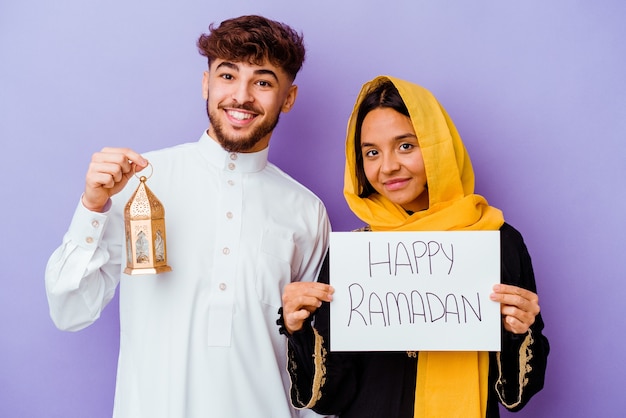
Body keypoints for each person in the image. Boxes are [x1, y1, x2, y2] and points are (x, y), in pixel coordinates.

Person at [45, 15, 330, 418]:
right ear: (206, 84)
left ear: (288, 97)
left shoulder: (307, 211)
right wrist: (92, 207)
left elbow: (311, 361)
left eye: (263, 82)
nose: (242, 96)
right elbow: (69, 311)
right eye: (227, 75)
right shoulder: (139, 182)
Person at [279, 75, 549, 417]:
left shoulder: (495, 240)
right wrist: (299, 329)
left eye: (406, 145)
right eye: (372, 153)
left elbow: (515, 397)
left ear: (438, 148)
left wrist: (517, 333)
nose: (388, 166)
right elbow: (331, 396)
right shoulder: (359, 254)